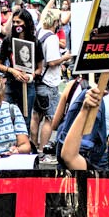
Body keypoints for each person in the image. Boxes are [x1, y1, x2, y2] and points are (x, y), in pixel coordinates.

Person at [32, 8, 71, 157]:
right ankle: (42, 151)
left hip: (38, 80)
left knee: (36, 117)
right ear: (55, 22)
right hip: (49, 82)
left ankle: (34, 148)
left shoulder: (39, 31)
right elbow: (53, 61)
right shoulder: (52, 38)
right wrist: (65, 57)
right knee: (49, 119)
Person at [0, 9, 43, 127]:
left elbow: (39, 68)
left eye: (19, 22)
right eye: (14, 22)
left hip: (27, 85)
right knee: (6, 116)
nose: (16, 25)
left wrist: (30, 77)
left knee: (25, 120)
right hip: (11, 84)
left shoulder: (35, 42)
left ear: (26, 23)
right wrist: (12, 71)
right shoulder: (8, 40)